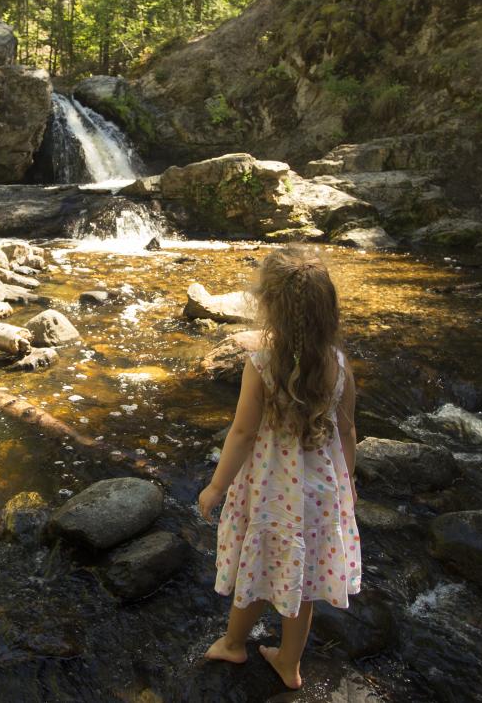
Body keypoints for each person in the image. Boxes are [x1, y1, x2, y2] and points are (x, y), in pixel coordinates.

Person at [198, 248, 360, 691]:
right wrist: (349, 487)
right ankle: (289, 663)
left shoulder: (262, 364)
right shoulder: (339, 365)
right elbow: (347, 433)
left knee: (257, 566)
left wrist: (216, 485)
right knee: (302, 580)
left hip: (270, 489)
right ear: (329, 310)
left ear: (270, 307)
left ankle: (234, 643)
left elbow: (243, 434)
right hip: (319, 493)